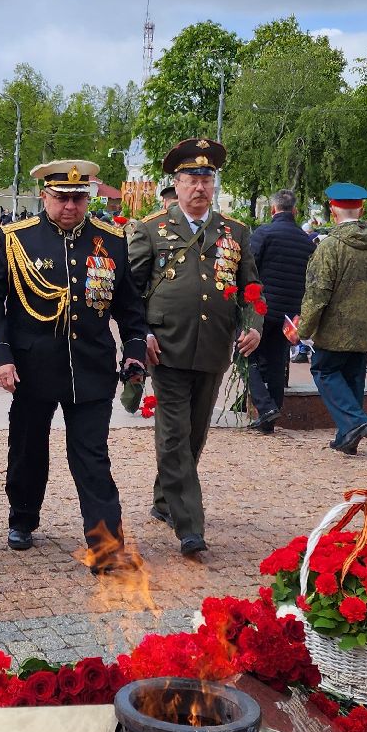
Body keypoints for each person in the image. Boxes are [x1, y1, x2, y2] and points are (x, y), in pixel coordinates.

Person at [0, 160, 148, 567]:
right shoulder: (14, 239)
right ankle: (22, 518)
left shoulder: (111, 240)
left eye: (78, 198)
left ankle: (106, 546)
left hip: (91, 366)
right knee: (27, 449)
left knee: (92, 455)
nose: (71, 206)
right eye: (62, 198)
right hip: (32, 367)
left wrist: (135, 350)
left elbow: (129, 306)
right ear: (44, 196)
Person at [126, 137, 263, 556]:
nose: (200, 187)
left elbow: (252, 287)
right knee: (172, 434)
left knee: (195, 435)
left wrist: (255, 324)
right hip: (165, 347)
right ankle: (190, 525)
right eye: (191, 179)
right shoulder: (151, 229)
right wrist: (139, 335)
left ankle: (166, 500)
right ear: (177, 183)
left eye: (207, 178)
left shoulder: (235, 232)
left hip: (213, 348)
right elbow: (129, 291)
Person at [296, 181, 367, 454]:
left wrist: (304, 328)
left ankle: (354, 423)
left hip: (334, 329)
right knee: (353, 379)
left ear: (332, 209)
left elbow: (317, 293)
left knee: (325, 371)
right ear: (361, 209)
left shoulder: (329, 247)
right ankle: (346, 437)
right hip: (366, 329)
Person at [244, 189, 315, 434]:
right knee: (276, 363)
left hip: (261, 309)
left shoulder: (264, 233)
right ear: (294, 211)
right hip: (289, 313)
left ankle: (264, 407)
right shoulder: (306, 241)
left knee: (246, 357)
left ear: (273, 210)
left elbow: (250, 269)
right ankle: (271, 417)